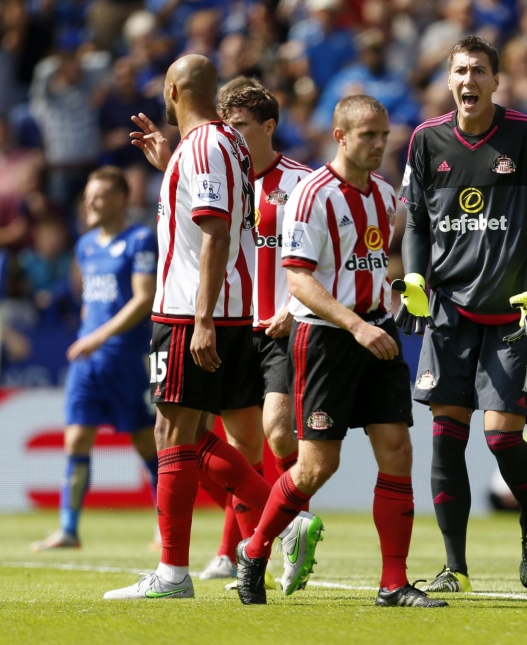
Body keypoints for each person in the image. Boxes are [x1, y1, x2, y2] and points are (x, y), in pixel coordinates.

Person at [233, 94, 447, 609]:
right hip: (329, 339)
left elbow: (367, 261)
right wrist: (354, 323)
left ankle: (393, 583)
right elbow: (299, 280)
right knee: (314, 468)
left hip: (377, 331)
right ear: (341, 136)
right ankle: (255, 549)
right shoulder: (311, 196)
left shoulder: (384, 193)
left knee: (397, 450)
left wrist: (399, 288)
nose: (379, 144)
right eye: (369, 135)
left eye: (384, 135)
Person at [397, 35, 527, 592]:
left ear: (497, 81)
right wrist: (417, 276)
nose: (468, 80)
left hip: (512, 313)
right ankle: (456, 568)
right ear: (448, 81)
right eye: (460, 71)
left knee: (500, 438)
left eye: (479, 71)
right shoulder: (426, 141)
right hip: (449, 311)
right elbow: (417, 223)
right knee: (446, 435)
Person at [103, 55, 280, 601]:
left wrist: (201, 319)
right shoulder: (220, 142)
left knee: (175, 435)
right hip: (213, 308)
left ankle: (179, 571)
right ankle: (281, 520)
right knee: (184, 435)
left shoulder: (202, 146)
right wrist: (171, 164)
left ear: (173, 89)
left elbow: (215, 235)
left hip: (192, 311)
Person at [194, 78, 314, 583]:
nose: (232, 136)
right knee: (239, 449)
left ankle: (289, 525)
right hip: (233, 326)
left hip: (282, 327)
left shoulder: (303, 183)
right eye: (227, 126)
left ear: (268, 126)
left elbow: (325, 256)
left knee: (277, 431)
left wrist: (293, 306)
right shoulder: (224, 179)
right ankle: (242, 549)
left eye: (241, 126)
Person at [30, 167, 160, 552]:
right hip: (88, 361)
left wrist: (99, 336)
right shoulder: (85, 245)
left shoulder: (139, 239)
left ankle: (164, 524)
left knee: (145, 443)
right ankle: (68, 529)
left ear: (121, 199)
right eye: (88, 195)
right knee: (76, 439)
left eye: (100, 196)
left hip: (126, 358)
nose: (91, 202)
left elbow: (144, 298)